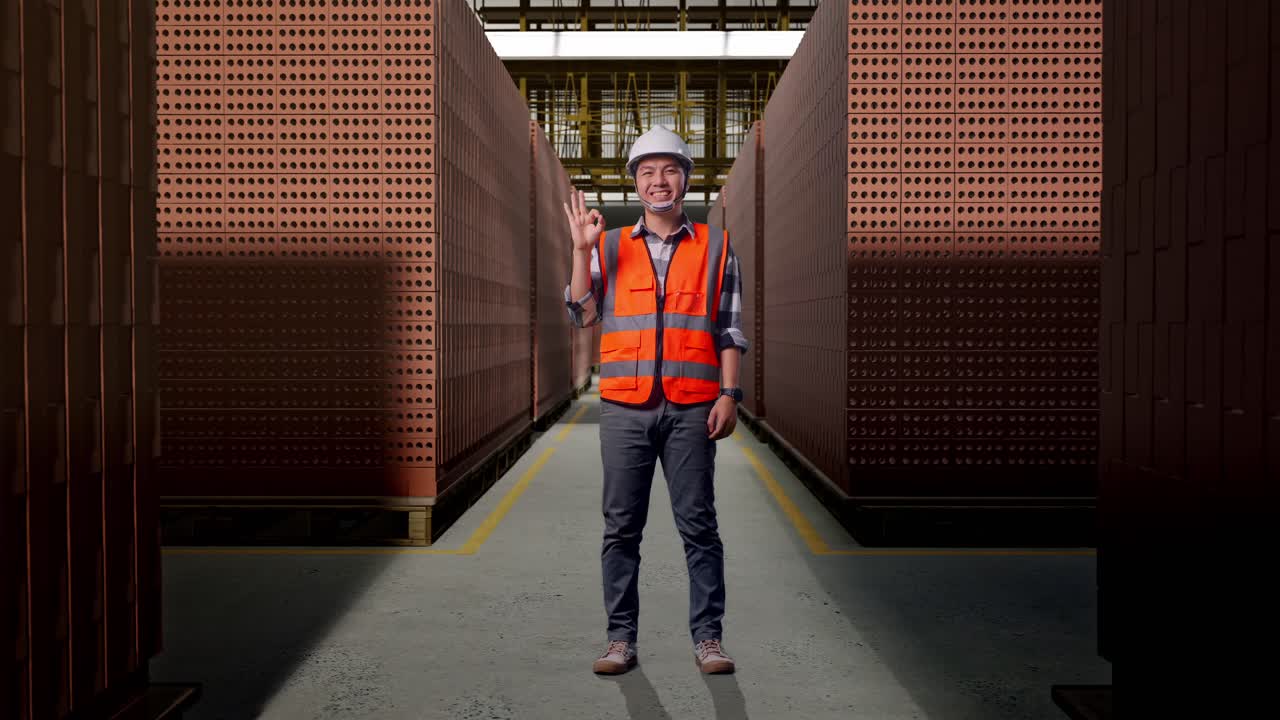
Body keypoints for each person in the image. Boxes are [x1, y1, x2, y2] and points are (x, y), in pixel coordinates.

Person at [561, 126, 749, 675]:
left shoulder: (716, 245)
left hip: (693, 405)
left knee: (698, 524)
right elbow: (581, 314)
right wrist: (579, 250)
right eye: (647, 171)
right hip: (625, 406)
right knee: (621, 527)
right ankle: (620, 639)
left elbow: (729, 328)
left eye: (669, 170)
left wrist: (729, 394)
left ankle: (708, 639)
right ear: (636, 183)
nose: (658, 181)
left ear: (686, 179)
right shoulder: (610, 245)